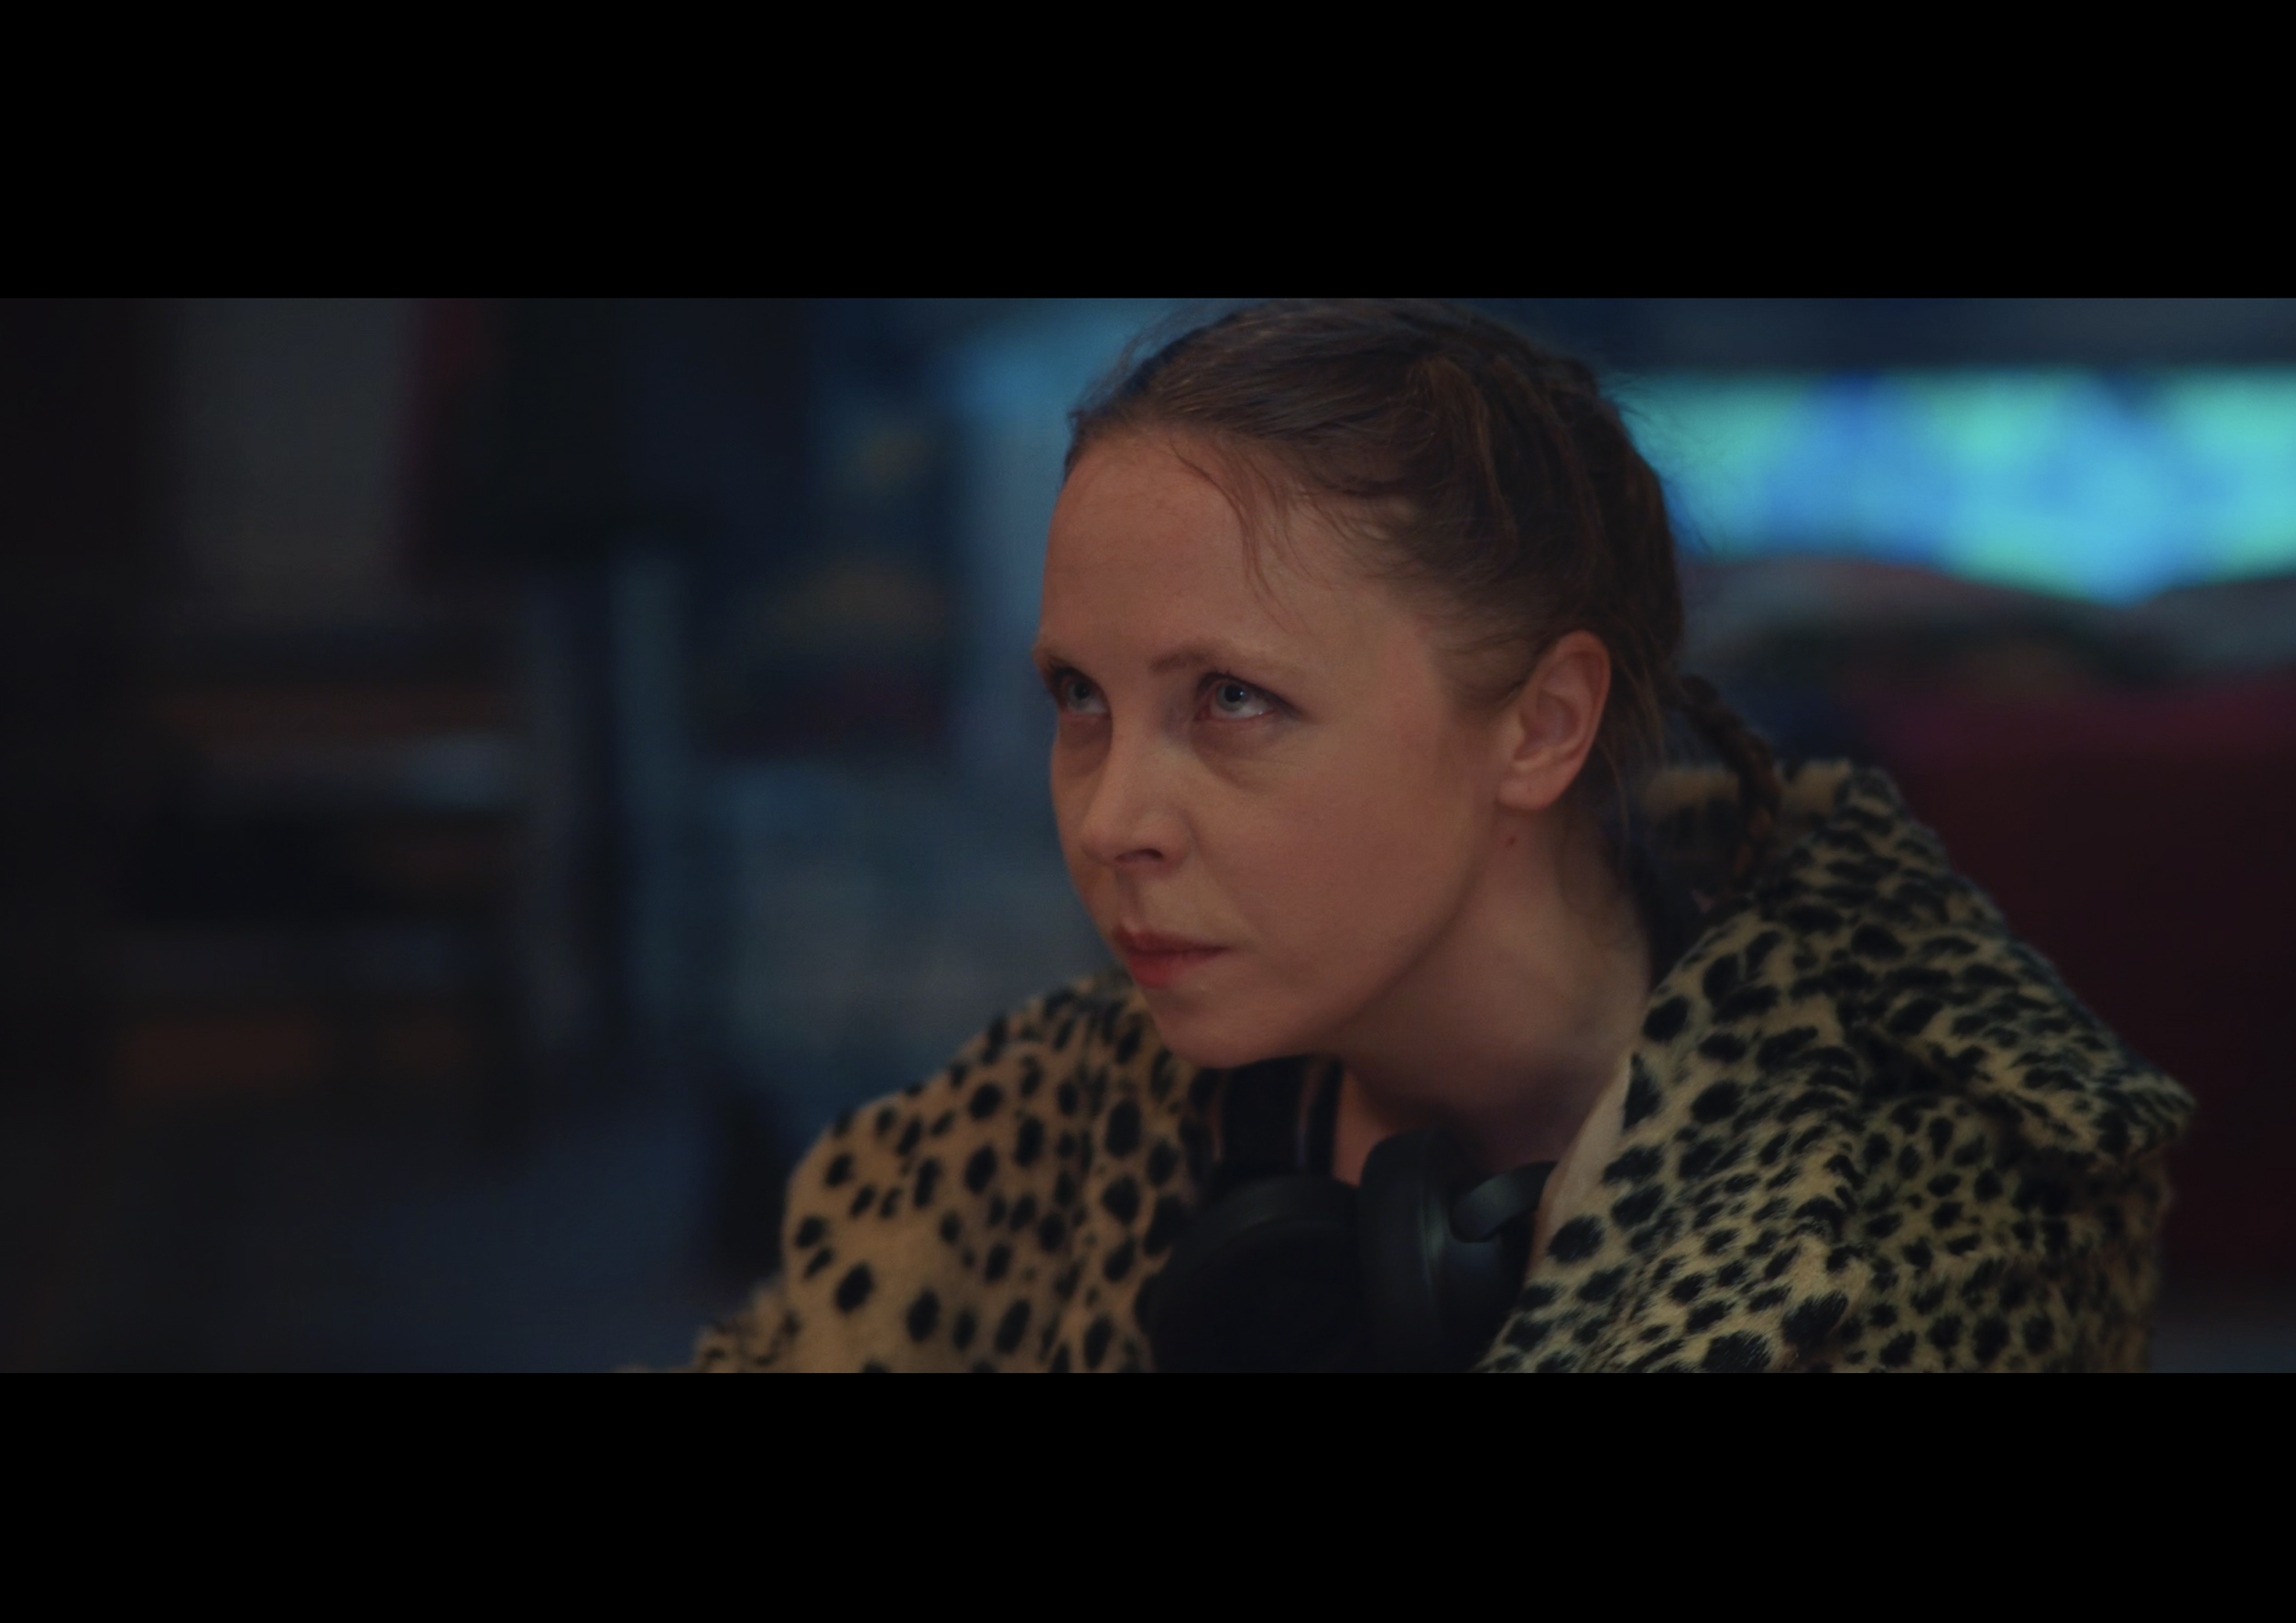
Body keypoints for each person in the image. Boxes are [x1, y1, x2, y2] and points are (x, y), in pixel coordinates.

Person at [689, 299, 2194, 1373]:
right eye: (1079, 697)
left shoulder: (1898, 1239)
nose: (1110, 820)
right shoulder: (1048, 1130)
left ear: (1540, 726)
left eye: (1232, 700)